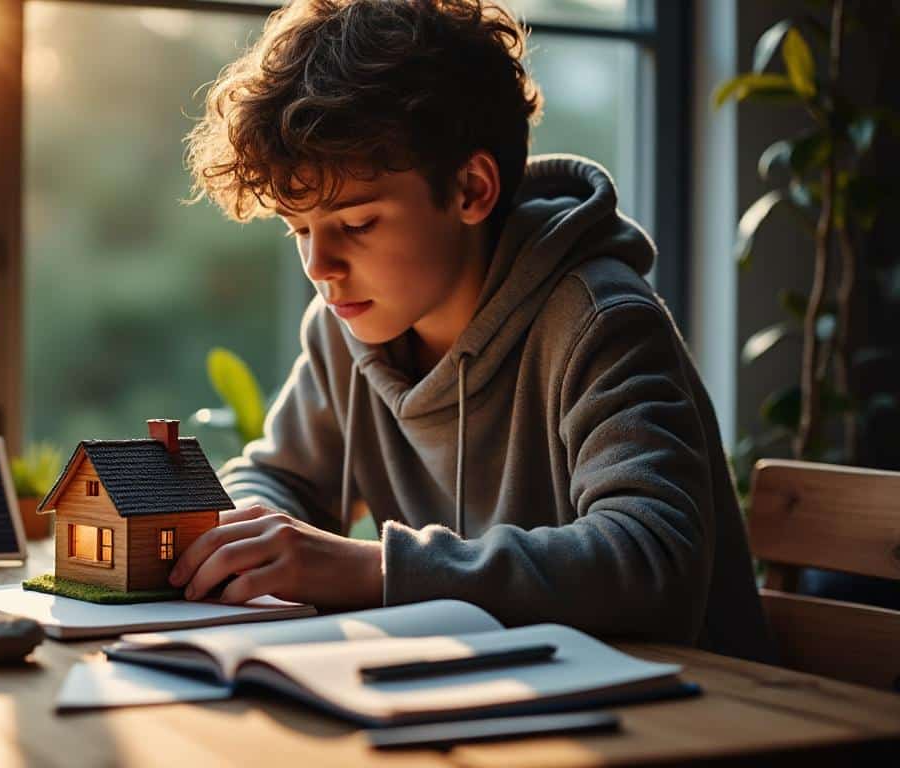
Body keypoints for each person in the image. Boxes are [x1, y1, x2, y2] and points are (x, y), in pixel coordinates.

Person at [169, 0, 772, 662]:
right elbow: (279, 479)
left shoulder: (601, 321)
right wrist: (253, 529)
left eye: (359, 224)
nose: (321, 267)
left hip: (686, 714)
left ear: (471, 190)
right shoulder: (346, 326)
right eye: (300, 230)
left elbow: (654, 560)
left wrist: (374, 570)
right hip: (488, 697)